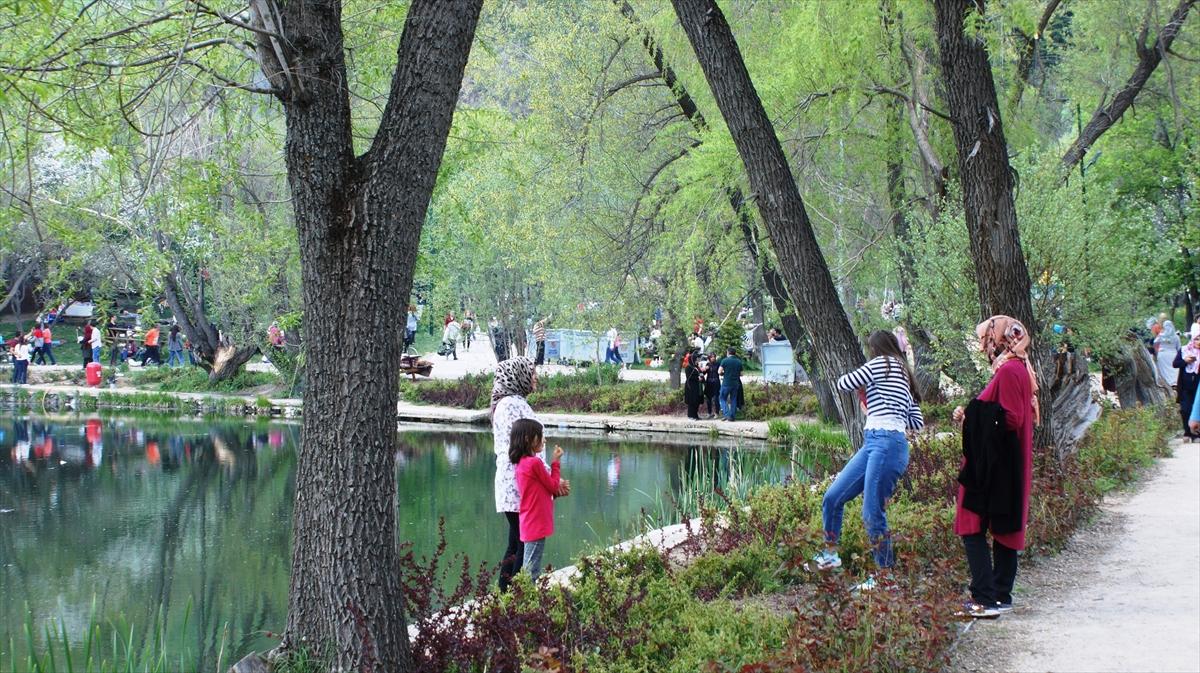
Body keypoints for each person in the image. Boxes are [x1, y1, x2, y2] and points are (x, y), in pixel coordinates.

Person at [812, 331, 923, 591]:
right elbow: (916, 423)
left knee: (872, 512)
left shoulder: (882, 363)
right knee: (833, 496)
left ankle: (886, 578)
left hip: (885, 444)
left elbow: (844, 383)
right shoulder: (905, 375)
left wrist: (868, 395)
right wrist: (881, 405)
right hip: (879, 443)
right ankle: (829, 555)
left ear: (875, 348)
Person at [951, 315, 1038, 619]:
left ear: (1000, 339)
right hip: (1002, 460)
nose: (984, 347)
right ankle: (998, 594)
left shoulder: (1010, 371)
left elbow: (1011, 419)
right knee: (1001, 524)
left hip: (994, 463)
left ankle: (986, 598)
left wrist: (972, 414)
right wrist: (974, 413)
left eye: (987, 340)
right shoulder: (1016, 369)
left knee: (970, 521)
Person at [491, 357, 569, 591]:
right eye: (531, 372)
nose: (535, 376)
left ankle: (505, 596)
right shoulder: (512, 405)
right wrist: (552, 480)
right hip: (518, 486)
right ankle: (516, 596)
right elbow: (525, 447)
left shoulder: (511, 402)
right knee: (523, 542)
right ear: (518, 376)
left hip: (515, 483)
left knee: (516, 542)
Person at [511, 418, 563, 582]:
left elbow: (541, 490)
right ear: (528, 439)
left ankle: (522, 600)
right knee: (531, 571)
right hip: (536, 522)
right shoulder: (534, 463)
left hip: (529, 520)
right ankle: (527, 603)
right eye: (540, 435)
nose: (544, 439)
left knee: (528, 566)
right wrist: (555, 463)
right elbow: (553, 486)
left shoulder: (522, 463)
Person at [1175, 331, 1200, 442]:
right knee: (1185, 409)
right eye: (1197, 339)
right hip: (1185, 385)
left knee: (1197, 409)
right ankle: (1187, 432)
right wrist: (1185, 361)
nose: (1198, 342)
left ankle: (1196, 434)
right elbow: (1175, 364)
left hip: (1198, 386)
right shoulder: (1184, 350)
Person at [717, 347, 743, 421]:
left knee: (722, 398)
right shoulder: (738, 361)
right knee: (733, 399)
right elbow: (741, 374)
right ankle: (732, 416)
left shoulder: (724, 361)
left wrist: (724, 373)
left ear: (728, 352)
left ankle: (727, 414)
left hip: (726, 383)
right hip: (735, 384)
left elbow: (719, 372)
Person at [1154, 320, 1181, 387]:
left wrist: (1157, 351)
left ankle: (1165, 383)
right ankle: (1174, 383)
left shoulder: (1161, 335)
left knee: (1164, 370)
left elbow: (1155, 342)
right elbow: (1179, 347)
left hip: (1163, 354)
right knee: (1173, 369)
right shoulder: (1176, 336)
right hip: (1173, 354)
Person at [683, 348, 703, 420]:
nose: (697, 361)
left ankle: (695, 415)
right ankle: (690, 415)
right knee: (692, 401)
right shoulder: (688, 367)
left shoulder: (696, 367)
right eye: (696, 359)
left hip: (697, 386)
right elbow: (689, 377)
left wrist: (701, 377)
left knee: (696, 401)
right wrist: (698, 378)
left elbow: (701, 374)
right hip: (691, 387)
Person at [701, 354, 721, 419]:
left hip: (716, 382)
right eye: (712, 357)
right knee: (708, 399)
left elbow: (720, 372)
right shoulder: (708, 364)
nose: (713, 358)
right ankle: (709, 412)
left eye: (714, 357)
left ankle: (717, 413)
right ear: (709, 358)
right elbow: (703, 373)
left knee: (716, 398)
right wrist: (704, 369)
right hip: (709, 382)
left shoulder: (718, 364)